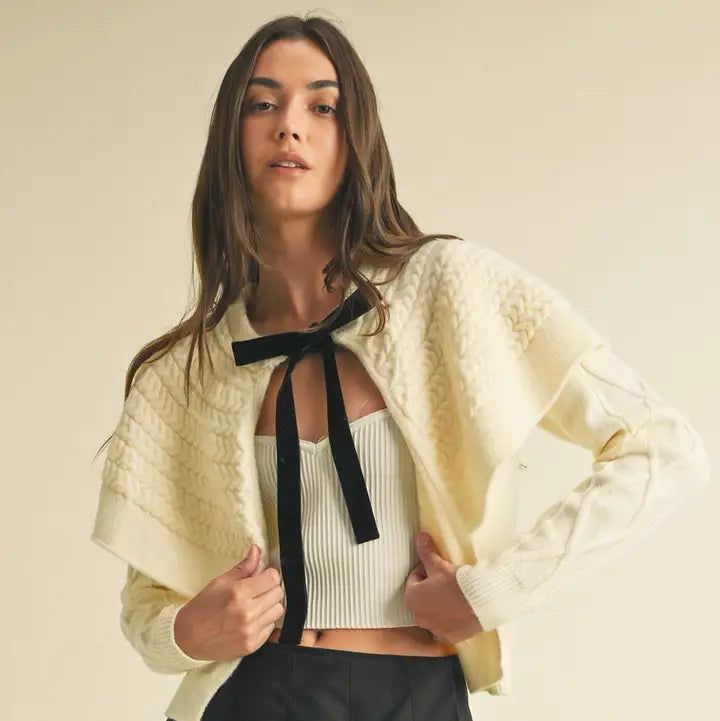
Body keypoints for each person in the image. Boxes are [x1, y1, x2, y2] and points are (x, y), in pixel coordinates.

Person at [90, 13, 711, 721]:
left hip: (416, 697)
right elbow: (146, 605)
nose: (289, 126)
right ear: (230, 137)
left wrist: (491, 593)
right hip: (253, 697)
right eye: (262, 104)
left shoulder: (448, 289)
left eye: (322, 107)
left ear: (357, 139)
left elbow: (663, 446)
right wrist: (186, 633)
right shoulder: (184, 372)